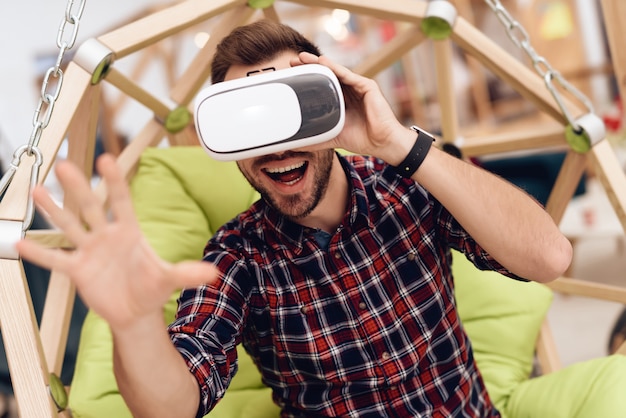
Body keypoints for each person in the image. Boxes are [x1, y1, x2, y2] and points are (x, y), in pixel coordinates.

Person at [17, 20, 572, 418]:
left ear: (330, 106)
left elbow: (549, 257)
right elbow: (174, 406)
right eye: (248, 119)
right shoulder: (237, 257)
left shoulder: (409, 188)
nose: (276, 144)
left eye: (292, 108)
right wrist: (133, 323)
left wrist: (399, 143)